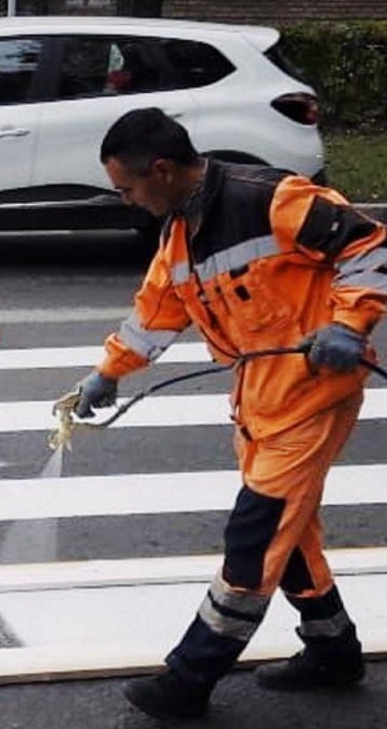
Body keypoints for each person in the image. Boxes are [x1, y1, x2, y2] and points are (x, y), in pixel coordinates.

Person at [67, 107, 387, 720]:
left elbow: (371, 243)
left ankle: (190, 678)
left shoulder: (270, 199)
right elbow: (155, 314)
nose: (127, 200)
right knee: (291, 534)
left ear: (160, 171)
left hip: (314, 394)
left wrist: (350, 324)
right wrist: (107, 373)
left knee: (256, 537)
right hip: (258, 402)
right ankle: (333, 651)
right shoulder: (178, 234)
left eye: (127, 188)